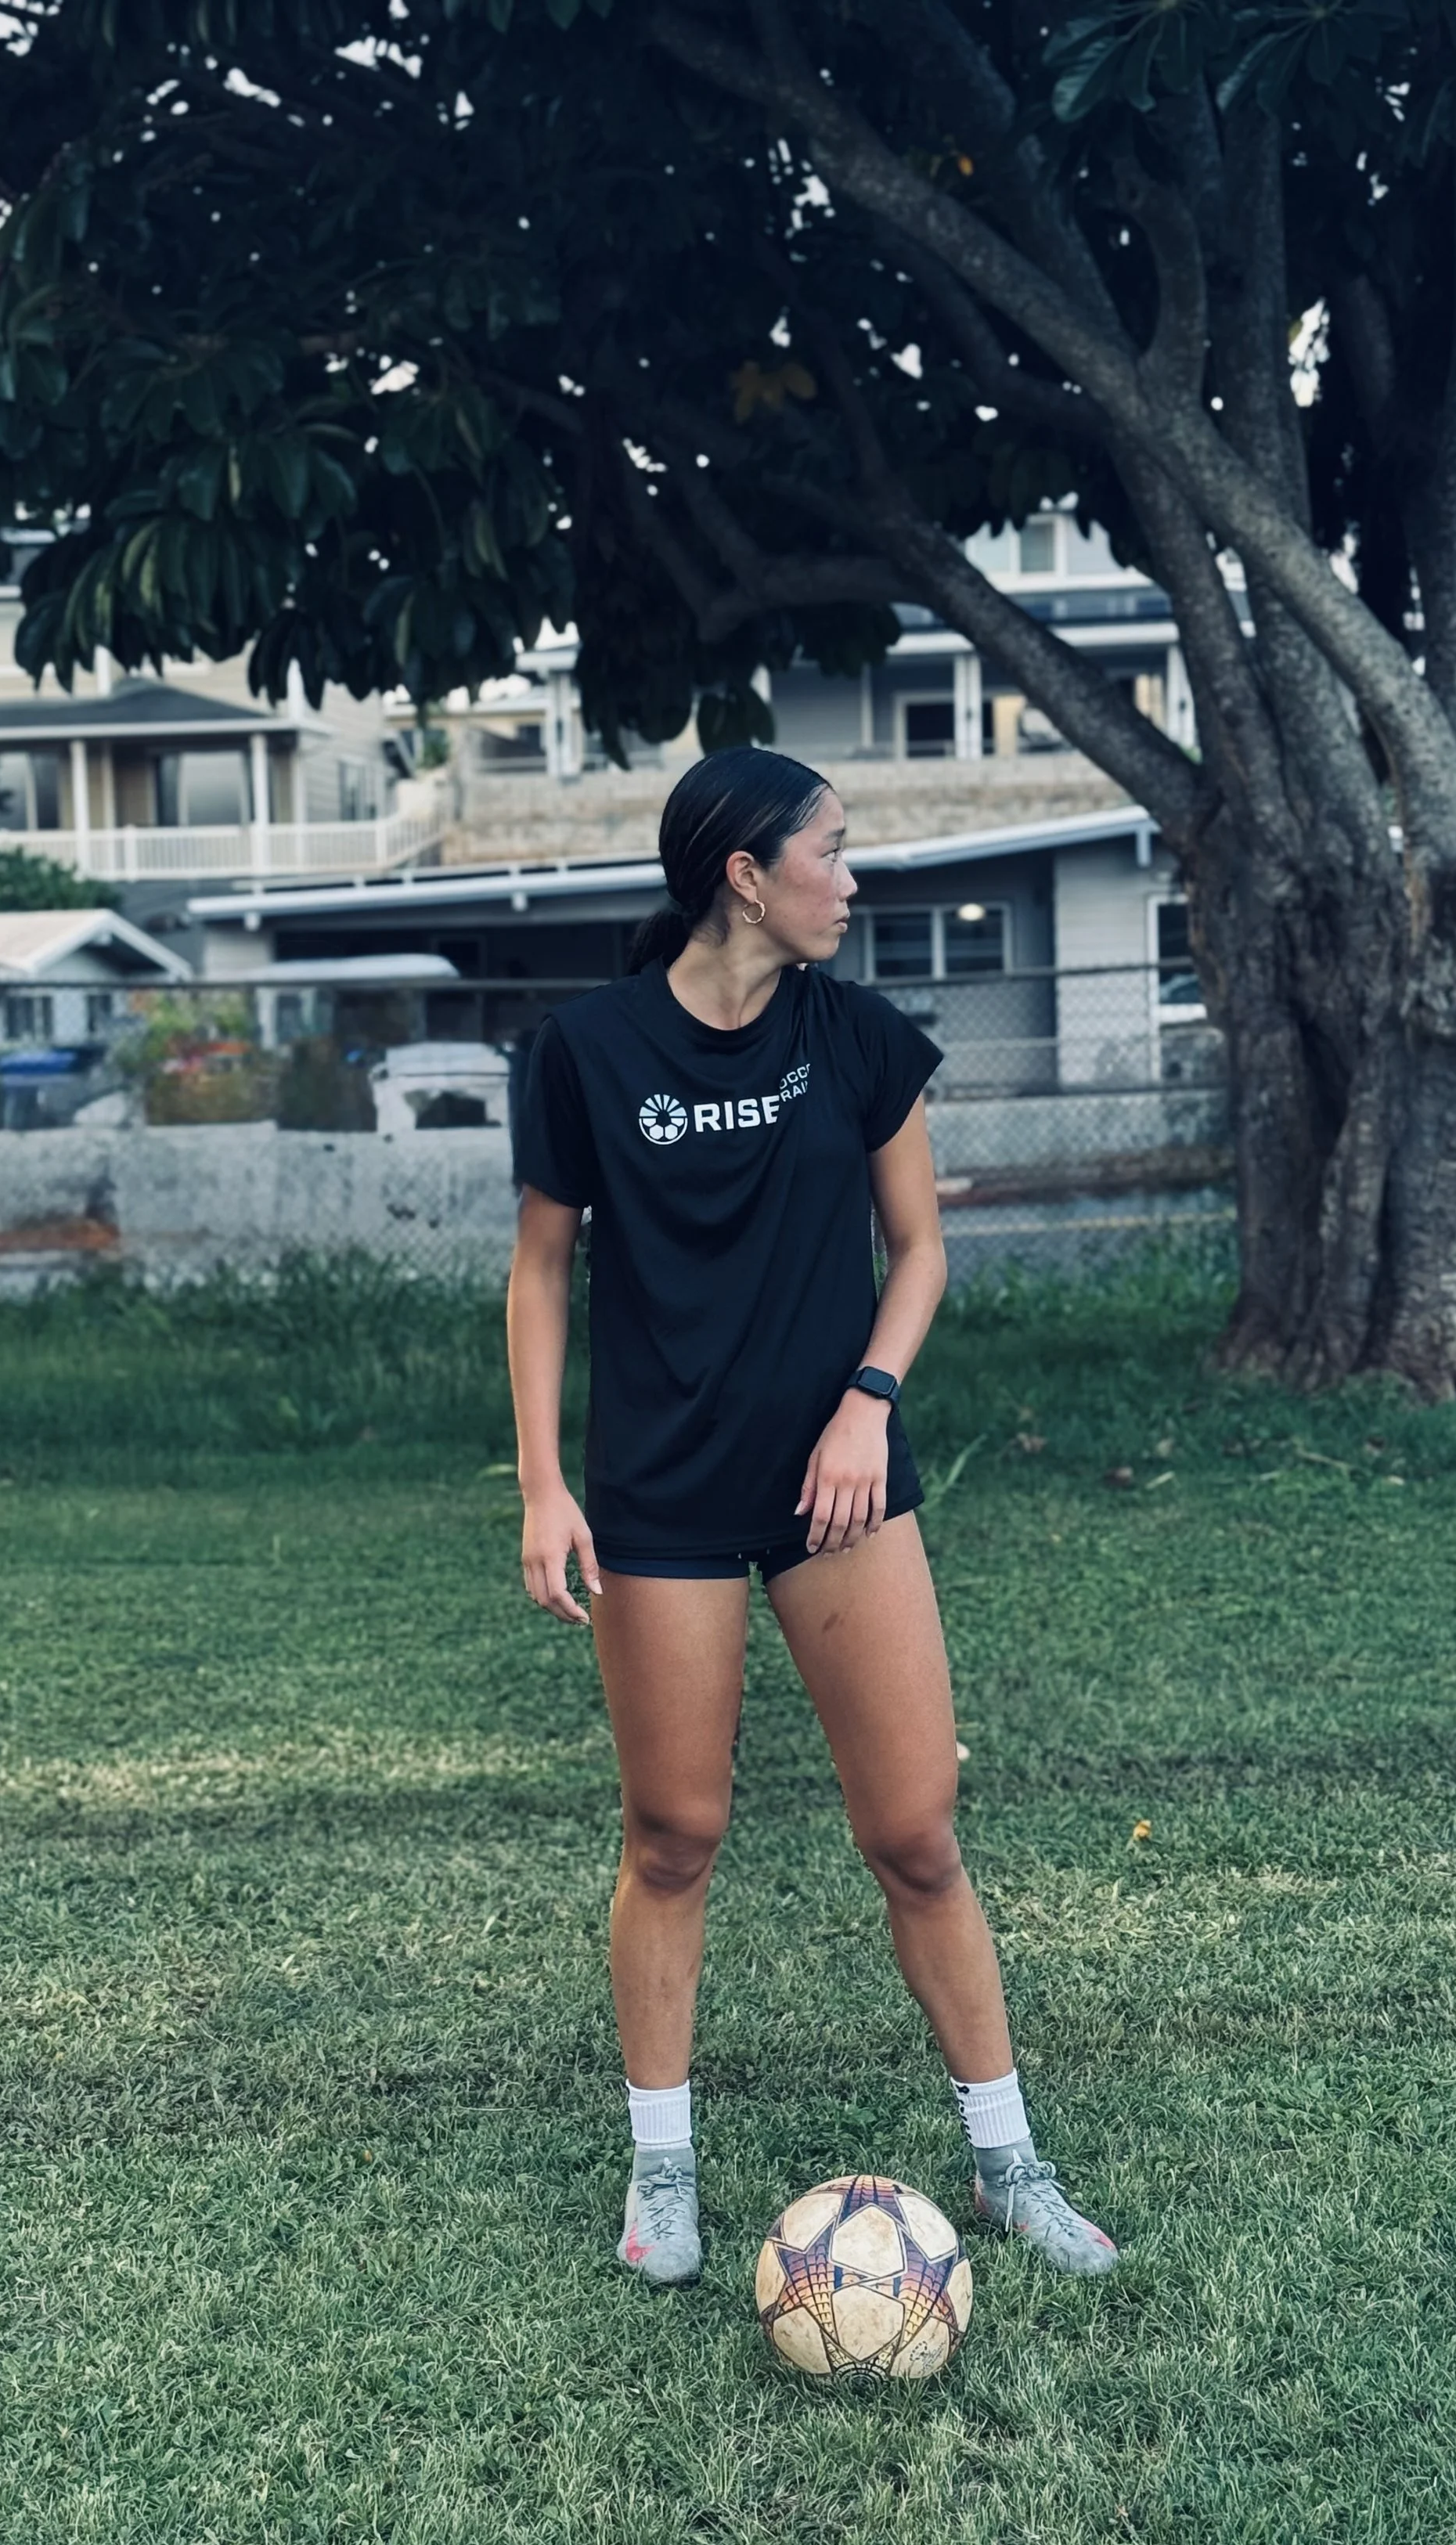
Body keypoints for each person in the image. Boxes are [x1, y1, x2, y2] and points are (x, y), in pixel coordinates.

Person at [506, 747, 1117, 2287]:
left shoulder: (857, 1039)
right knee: (672, 1835)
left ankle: (1006, 2164)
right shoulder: (585, 1051)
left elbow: (917, 1253)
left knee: (914, 1832)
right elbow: (538, 1273)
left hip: (836, 1494)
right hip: (659, 1499)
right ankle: (661, 2183)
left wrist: (866, 1399)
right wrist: (541, 1483)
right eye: (831, 853)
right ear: (743, 872)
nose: (853, 879)